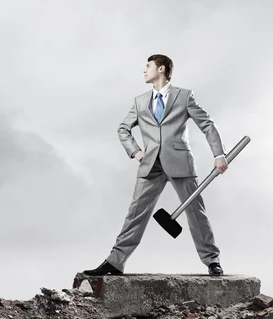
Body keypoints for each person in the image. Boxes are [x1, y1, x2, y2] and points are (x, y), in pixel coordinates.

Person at [83, 54, 228, 277]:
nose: (144, 70)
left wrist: (219, 154)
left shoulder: (184, 96)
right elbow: (123, 128)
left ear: (161, 69)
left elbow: (207, 125)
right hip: (151, 165)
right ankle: (115, 261)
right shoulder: (140, 101)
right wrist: (136, 151)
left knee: (196, 214)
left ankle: (212, 261)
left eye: (148, 66)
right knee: (135, 214)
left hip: (180, 163)